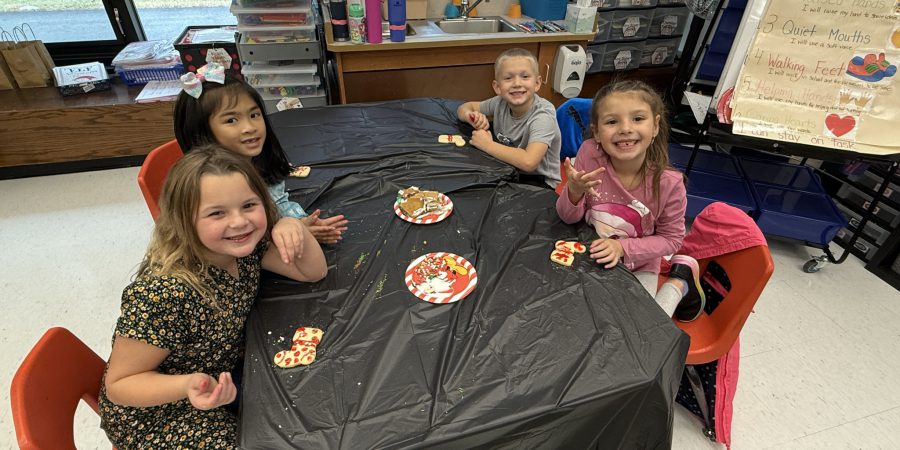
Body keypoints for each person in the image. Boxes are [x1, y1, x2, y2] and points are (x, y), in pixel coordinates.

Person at [99, 146, 327, 449]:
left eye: (249, 205)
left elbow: (313, 272)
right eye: (217, 213)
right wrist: (187, 384)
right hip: (161, 413)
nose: (239, 222)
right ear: (183, 220)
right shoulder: (164, 294)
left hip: (221, 376)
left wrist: (290, 226)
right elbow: (119, 385)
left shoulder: (241, 248)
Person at [556, 80, 705, 321]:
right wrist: (573, 191)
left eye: (637, 119)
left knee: (644, 327)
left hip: (639, 264)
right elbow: (566, 216)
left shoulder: (669, 183)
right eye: (612, 121)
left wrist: (622, 248)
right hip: (591, 252)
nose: (625, 128)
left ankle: (679, 281)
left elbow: (672, 239)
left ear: (655, 125)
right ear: (596, 131)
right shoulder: (590, 153)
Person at [174, 69, 349, 245]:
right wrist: (290, 236)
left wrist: (300, 223)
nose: (250, 127)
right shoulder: (210, 188)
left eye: (254, 115)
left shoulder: (259, 163)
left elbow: (278, 203)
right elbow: (234, 241)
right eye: (231, 120)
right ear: (201, 130)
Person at [456, 47, 562, 189]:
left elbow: (529, 162)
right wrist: (471, 116)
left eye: (525, 77)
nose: (517, 83)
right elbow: (465, 107)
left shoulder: (543, 116)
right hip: (509, 170)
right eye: (508, 78)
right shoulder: (500, 103)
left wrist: (487, 145)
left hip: (539, 183)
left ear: (537, 83)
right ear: (497, 87)